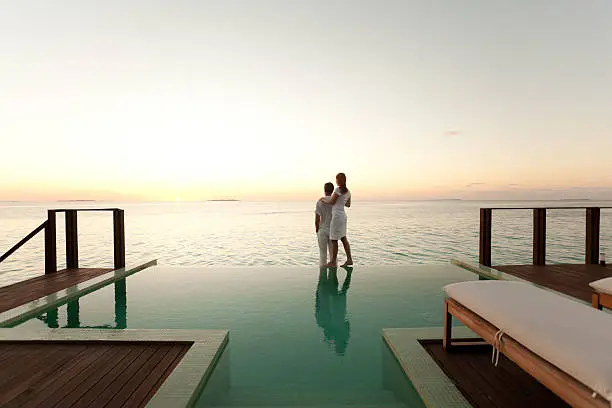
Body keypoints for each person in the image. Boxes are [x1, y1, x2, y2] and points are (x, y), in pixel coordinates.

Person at [320, 172, 353, 267]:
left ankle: (333, 262)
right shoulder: (348, 192)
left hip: (337, 217)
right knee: (343, 238)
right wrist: (341, 202)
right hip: (343, 216)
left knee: (334, 240)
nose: (336, 181)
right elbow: (348, 204)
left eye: (337, 179)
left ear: (339, 180)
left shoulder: (338, 189)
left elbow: (331, 201)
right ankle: (349, 259)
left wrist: (323, 200)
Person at [315, 182, 335, 266]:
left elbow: (317, 218)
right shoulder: (335, 201)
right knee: (333, 255)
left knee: (322, 255)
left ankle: (322, 276)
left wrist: (317, 229)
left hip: (322, 230)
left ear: (324, 190)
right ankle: (333, 276)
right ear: (332, 190)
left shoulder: (320, 202)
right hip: (332, 230)